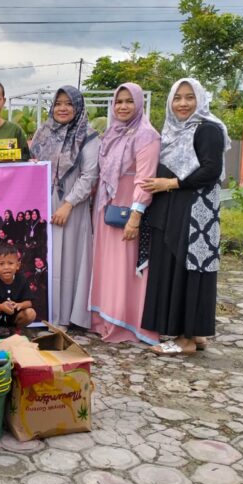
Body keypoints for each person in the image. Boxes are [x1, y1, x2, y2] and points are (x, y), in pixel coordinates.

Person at [141, 78, 231, 355]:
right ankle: (195, 333)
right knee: (178, 269)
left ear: (201, 99)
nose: (182, 103)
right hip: (175, 211)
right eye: (177, 97)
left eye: (189, 97)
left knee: (189, 269)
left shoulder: (208, 129)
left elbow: (210, 171)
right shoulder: (172, 132)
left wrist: (170, 184)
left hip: (196, 215)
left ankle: (187, 340)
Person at [89, 83, 161, 345]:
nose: (122, 106)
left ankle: (127, 325)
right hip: (106, 208)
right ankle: (105, 320)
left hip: (127, 211)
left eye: (129, 101)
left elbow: (145, 179)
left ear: (139, 103)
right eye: (118, 101)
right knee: (107, 267)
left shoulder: (146, 135)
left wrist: (135, 215)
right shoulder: (112, 132)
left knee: (124, 269)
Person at [30, 86, 100, 329]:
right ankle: (45, 312)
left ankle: (68, 316)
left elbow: (89, 175)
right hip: (43, 203)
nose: (62, 108)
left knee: (69, 258)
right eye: (58, 103)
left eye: (69, 104)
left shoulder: (88, 135)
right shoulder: (43, 133)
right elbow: (33, 165)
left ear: (78, 107)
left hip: (72, 206)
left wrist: (68, 204)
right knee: (45, 258)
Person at [0, 243, 37, 337]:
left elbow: (29, 302)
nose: (6, 267)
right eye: (1, 264)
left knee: (31, 313)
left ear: (17, 265)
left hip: (13, 318)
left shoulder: (22, 279)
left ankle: (14, 331)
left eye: (10, 263)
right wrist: (0, 307)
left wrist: (19, 305)